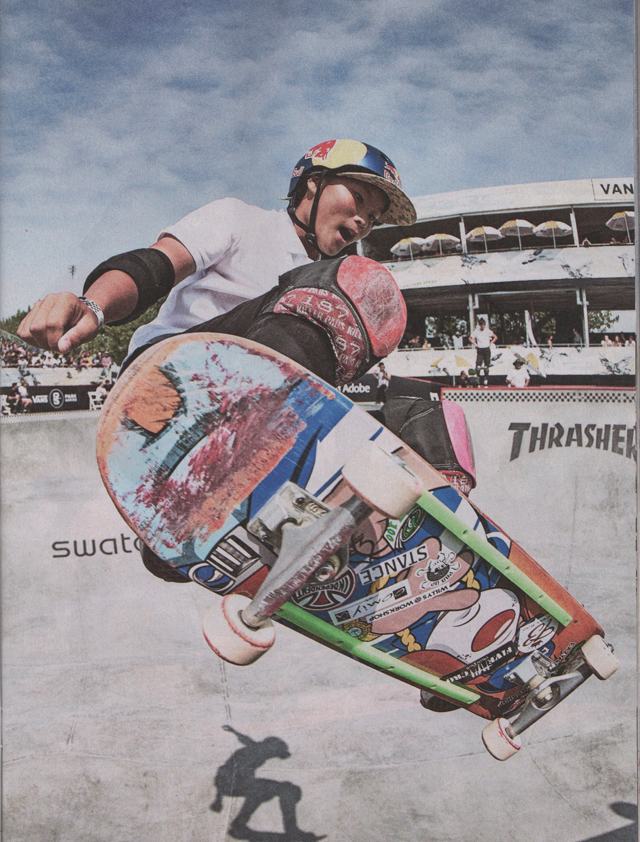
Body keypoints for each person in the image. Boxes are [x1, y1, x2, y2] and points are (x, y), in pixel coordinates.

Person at [17, 138, 417, 389]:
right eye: (358, 199)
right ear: (314, 182)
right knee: (334, 287)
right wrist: (93, 305)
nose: (363, 221)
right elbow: (156, 265)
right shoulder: (240, 219)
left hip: (246, 390)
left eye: (373, 217)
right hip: (163, 374)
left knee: (412, 394)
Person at [468, 317, 497, 387]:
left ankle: (486, 379)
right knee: (478, 366)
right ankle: (478, 379)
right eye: (481, 325)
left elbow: (495, 337)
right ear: (479, 325)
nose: (482, 326)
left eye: (483, 325)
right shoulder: (476, 331)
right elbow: (470, 338)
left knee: (486, 367)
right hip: (480, 349)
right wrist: (475, 344)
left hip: (486, 349)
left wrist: (491, 343)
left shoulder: (487, 331)